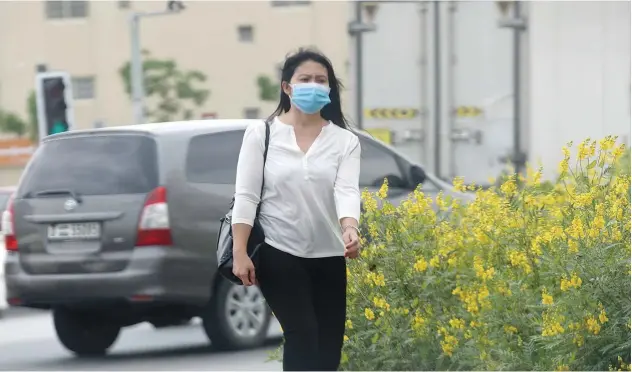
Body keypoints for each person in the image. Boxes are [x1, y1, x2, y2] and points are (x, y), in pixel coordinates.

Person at [231, 48, 361, 371]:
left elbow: (346, 190)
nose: (314, 85)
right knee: (302, 334)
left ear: (330, 89)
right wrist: (239, 251)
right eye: (305, 79)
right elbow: (246, 196)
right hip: (280, 251)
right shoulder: (262, 134)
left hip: (330, 255)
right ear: (287, 87)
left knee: (328, 347)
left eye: (322, 80)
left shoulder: (345, 142)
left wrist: (350, 227)